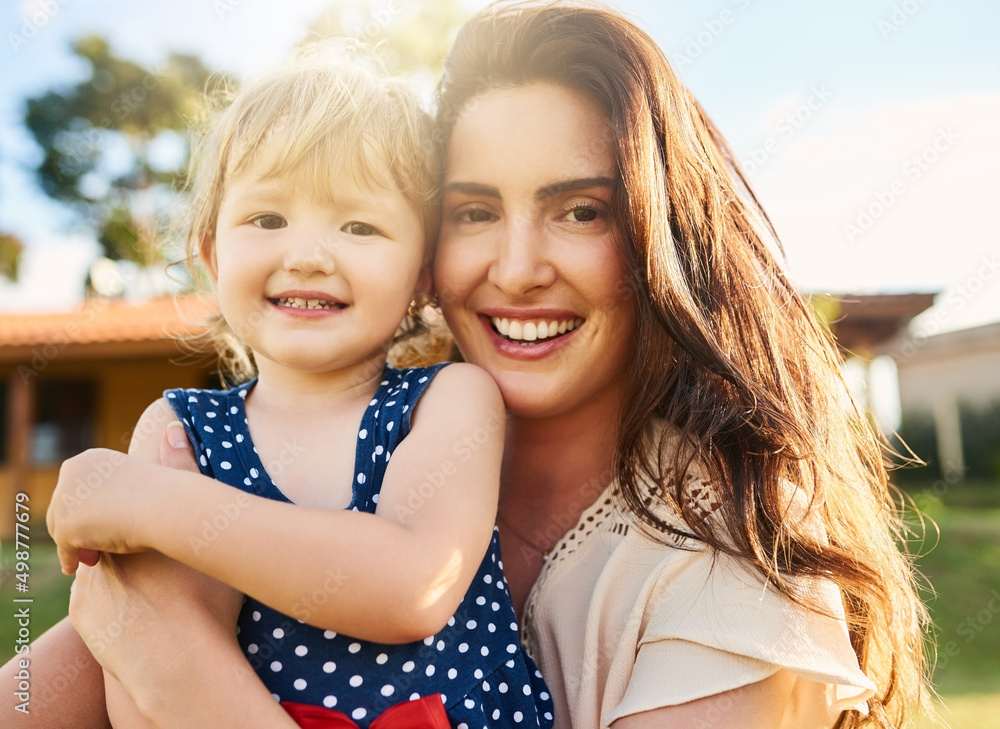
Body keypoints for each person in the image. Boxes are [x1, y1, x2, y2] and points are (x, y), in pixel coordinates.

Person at [3, 2, 933, 728]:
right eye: (476, 210)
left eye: (582, 210)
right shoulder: (246, 440)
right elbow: (86, 664)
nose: (518, 268)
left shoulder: (729, 554)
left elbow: (170, 637)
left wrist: (159, 648)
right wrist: (126, 616)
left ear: (661, 236)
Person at [37, 42, 553, 729]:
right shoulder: (182, 432)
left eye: (360, 225)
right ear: (212, 253)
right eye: (269, 219)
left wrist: (149, 502)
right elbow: (153, 662)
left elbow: (409, 585)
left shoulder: (446, 401)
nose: (308, 254)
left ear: (423, 272)